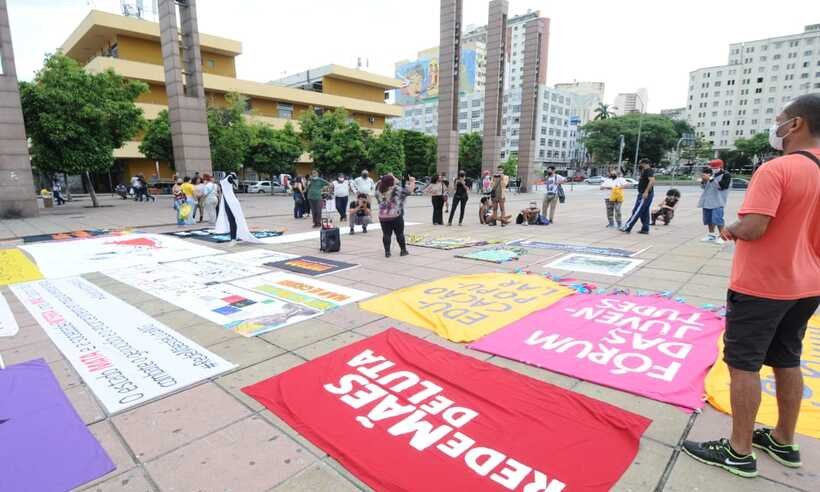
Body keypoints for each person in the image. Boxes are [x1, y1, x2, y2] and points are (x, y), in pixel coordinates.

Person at [682, 94, 820, 479]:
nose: (776, 127)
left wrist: (731, 228)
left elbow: (755, 227)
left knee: (743, 365)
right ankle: (783, 439)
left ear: (796, 124)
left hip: (763, 286)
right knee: (787, 358)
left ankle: (739, 450)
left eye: (780, 119)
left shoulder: (778, 169)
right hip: (807, 285)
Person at [215, 172, 262, 246]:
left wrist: (234, 177)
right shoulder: (225, 177)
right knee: (230, 220)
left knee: (234, 220)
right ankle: (234, 237)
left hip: (231, 200)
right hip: (225, 200)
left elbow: (235, 186)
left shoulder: (230, 177)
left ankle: (233, 239)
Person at [376, 173, 415, 258]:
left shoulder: (378, 190)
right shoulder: (396, 189)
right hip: (395, 215)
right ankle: (403, 250)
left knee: (386, 234)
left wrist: (390, 177)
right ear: (391, 182)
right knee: (399, 233)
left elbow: (382, 182)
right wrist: (412, 181)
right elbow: (409, 191)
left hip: (383, 216)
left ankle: (387, 252)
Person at [698, 159, 732, 244]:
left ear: (721, 167)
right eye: (712, 168)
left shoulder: (726, 175)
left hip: (718, 201)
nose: (713, 169)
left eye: (715, 168)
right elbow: (703, 187)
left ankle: (722, 236)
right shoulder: (710, 174)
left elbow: (722, 187)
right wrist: (703, 181)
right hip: (707, 200)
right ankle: (711, 235)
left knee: (718, 219)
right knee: (708, 219)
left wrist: (711, 179)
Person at [622, 158, 655, 234]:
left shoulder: (648, 170)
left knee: (637, 211)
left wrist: (646, 192)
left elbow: (652, 181)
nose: (640, 165)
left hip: (645, 194)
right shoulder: (645, 171)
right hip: (643, 193)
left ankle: (627, 227)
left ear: (644, 163)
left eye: (640, 163)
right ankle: (645, 229)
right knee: (644, 212)